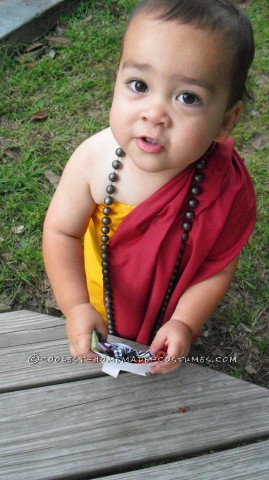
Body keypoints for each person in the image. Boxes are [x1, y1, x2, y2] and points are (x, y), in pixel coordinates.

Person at [43, 0, 256, 374]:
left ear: (225, 121)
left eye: (188, 97)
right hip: (100, 295)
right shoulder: (94, 159)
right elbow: (61, 232)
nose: (154, 113)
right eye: (139, 85)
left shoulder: (226, 188)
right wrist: (76, 305)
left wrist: (185, 322)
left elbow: (216, 269)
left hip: (170, 303)